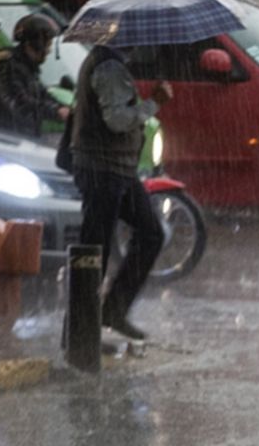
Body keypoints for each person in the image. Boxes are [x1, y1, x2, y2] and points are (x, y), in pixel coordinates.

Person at [69, 43, 173, 341]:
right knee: (94, 252)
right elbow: (117, 121)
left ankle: (112, 311)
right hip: (103, 169)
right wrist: (153, 103)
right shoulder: (109, 67)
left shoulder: (113, 64)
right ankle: (79, 335)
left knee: (151, 233)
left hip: (119, 169)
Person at [0, 13, 71, 138]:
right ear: (34, 44)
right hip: (7, 137)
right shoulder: (7, 65)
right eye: (47, 45)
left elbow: (41, 94)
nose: (49, 51)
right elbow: (18, 102)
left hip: (26, 135)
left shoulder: (28, 66)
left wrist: (63, 108)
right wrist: (55, 111)